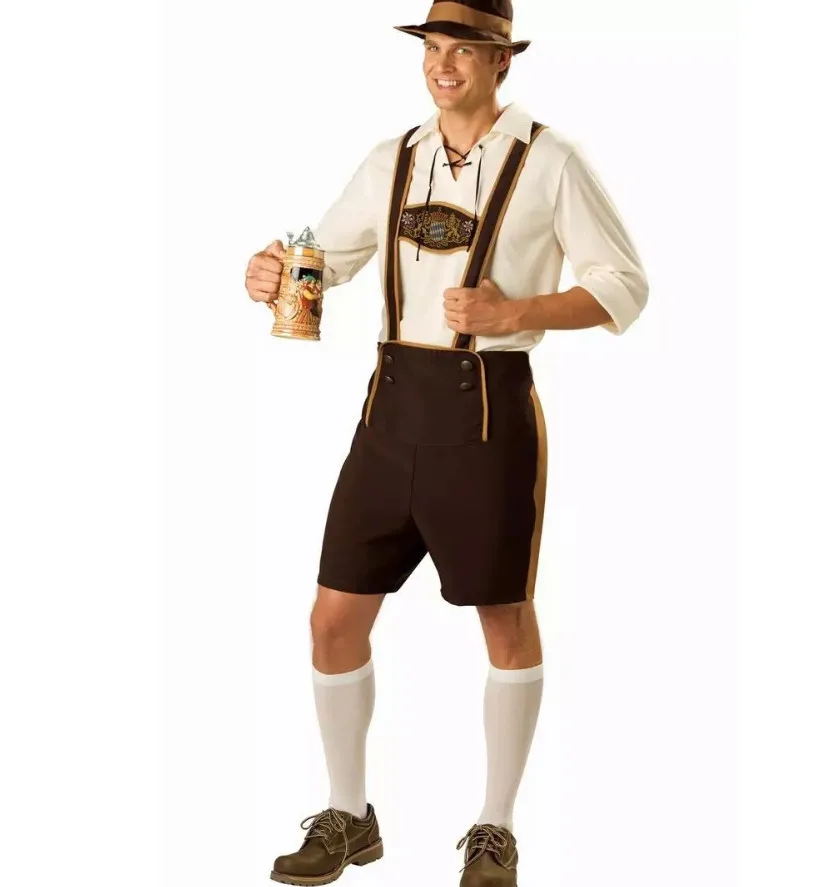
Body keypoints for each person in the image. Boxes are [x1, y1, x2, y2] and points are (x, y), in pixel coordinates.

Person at [244, 1, 649, 884]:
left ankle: (495, 827)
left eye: (463, 50)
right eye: (433, 47)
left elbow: (625, 285)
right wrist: (272, 270)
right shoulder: (394, 157)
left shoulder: (552, 160)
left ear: (502, 62)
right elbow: (327, 256)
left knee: (503, 618)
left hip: (488, 414)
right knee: (331, 619)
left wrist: (517, 311)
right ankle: (349, 815)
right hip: (388, 414)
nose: (443, 65)